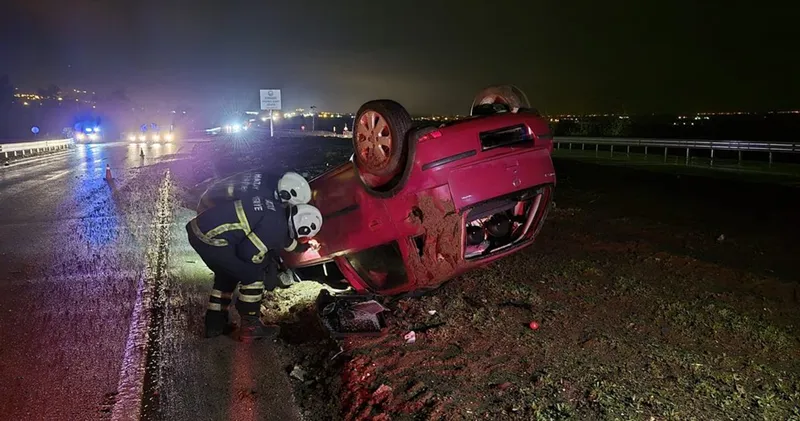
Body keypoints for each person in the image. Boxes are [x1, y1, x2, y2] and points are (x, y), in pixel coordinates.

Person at [186, 180, 322, 341]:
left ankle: (215, 326)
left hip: (201, 231)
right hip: (211, 240)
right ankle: (250, 327)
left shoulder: (277, 211)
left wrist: (302, 248)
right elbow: (247, 253)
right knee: (253, 275)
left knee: (227, 276)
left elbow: (282, 239)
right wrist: (265, 263)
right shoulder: (276, 228)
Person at [197, 171, 311, 214]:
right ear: (285, 195)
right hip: (209, 209)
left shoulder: (265, 175)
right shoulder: (265, 198)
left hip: (210, 194)